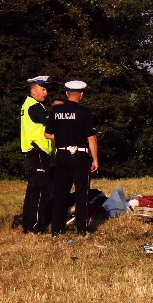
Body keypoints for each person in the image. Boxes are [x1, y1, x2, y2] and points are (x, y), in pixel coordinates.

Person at [46, 80, 99, 236]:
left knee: (60, 193)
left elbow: (47, 134)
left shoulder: (56, 112)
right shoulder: (84, 112)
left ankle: (57, 229)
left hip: (61, 155)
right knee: (81, 193)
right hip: (79, 156)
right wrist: (95, 159)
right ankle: (81, 229)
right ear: (81, 95)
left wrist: (63, 137)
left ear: (66, 94)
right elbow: (91, 137)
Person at [19, 75, 54, 233]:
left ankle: (28, 224)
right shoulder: (35, 106)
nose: (46, 93)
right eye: (43, 89)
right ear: (33, 91)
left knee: (33, 189)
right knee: (41, 190)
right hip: (38, 151)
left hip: (33, 152)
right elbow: (50, 124)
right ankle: (36, 226)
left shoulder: (28, 104)